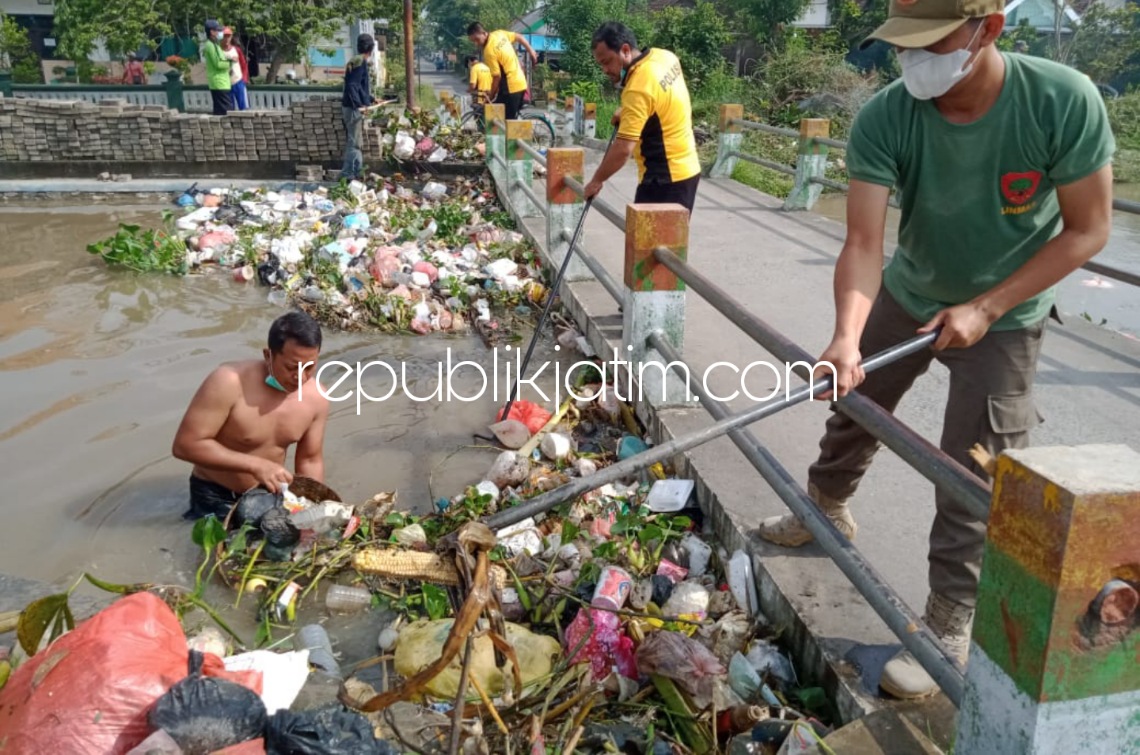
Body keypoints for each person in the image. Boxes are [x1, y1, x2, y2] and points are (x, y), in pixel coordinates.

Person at [755, 0, 1114, 700]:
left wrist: (988, 305)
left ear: (988, 29)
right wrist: (846, 337)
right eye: (904, 45)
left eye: (932, 42)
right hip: (912, 290)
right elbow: (863, 242)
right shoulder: (886, 116)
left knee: (973, 464)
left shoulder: (1060, 102)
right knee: (855, 404)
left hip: (1008, 310)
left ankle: (947, 617)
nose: (914, 60)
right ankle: (824, 504)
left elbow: (1088, 229)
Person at [172, 311, 330, 520]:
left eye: (309, 367)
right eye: (292, 367)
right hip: (215, 494)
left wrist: (313, 510)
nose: (300, 377)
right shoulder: (228, 382)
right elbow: (185, 445)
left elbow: (310, 460)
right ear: (268, 355)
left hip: (268, 495)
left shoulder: (316, 398)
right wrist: (256, 465)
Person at [583, 22, 702, 216]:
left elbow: (623, 150)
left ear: (625, 50)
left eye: (607, 61)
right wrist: (628, 112)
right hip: (688, 169)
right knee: (666, 244)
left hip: (664, 179)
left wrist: (596, 180)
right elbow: (661, 99)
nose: (604, 69)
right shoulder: (664, 56)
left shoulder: (637, 87)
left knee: (647, 244)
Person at [466, 22, 538, 121]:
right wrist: (531, 51)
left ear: (483, 32)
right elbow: (519, 37)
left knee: (504, 123)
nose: (476, 44)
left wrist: (490, 96)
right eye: (473, 41)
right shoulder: (499, 34)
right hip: (520, 83)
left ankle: (512, 136)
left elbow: (497, 77)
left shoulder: (488, 52)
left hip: (511, 88)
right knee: (495, 116)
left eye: (477, 40)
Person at [340, 33, 379, 180]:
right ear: (371, 48)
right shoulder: (359, 62)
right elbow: (352, 86)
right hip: (352, 109)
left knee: (357, 142)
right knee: (354, 143)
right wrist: (359, 106)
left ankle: (357, 173)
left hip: (351, 106)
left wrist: (371, 99)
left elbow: (359, 88)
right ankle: (347, 175)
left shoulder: (357, 60)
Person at [203, 19, 232, 116]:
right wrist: (231, 62)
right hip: (218, 83)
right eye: (218, 30)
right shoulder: (210, 45)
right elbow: (218, 64)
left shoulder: (215, 45)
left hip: (222, 83)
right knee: (226, 113)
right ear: (212, 32)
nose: (220, 33)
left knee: (221, 113)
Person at [221, 28, 249, 111]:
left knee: (244, 107)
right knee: (229, 109)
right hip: (226, 83)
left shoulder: (236, 50)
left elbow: (243, 65)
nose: (226, 39)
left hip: (238, 81)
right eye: (224, 36)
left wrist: (244, 79)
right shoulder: (219, 51)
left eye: (228, 36)